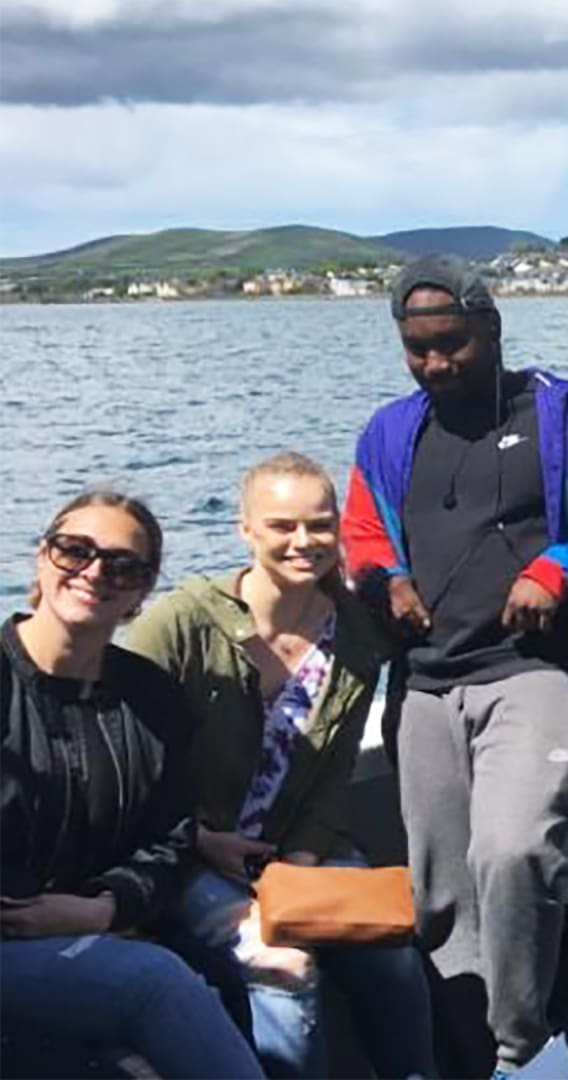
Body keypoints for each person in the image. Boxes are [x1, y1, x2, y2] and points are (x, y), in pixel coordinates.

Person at [342, 254, 568, 1076]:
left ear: (492, 329)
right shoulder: (389, 431)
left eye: (453, 345)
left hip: (531, 671)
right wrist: (385, 576)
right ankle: (464, 1054)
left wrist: (559, 569)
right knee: (440, 890)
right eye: (418, 349)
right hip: (427, 684)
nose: (436, 364)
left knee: (511, 852)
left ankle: (520, 1048)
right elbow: (361, 529)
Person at [124, 452, 436, 1078]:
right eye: (282, 526)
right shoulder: (185, 624)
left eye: (320, 526)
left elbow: (331, 776)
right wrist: (200, 839)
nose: (304, 543)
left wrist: (298, 871)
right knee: (284, 965)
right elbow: (124, 756)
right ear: (246, 530)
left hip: (294, 849)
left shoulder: (353, 636)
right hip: (188, 854)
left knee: (393, 953)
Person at [1, 491, 264, 1079]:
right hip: (12, 942)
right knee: (153, 983)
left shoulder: (149, 697)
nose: (95, 573)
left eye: (124, 566)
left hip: (98, 929)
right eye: (75, 551)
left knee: (254, 971)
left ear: (141, 594)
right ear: (41, 561)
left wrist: (102, 906)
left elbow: (170, 839)